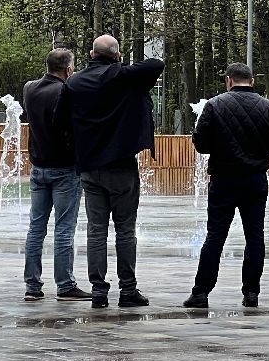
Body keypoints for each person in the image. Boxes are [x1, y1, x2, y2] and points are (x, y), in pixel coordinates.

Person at [65, 34, 164, 309]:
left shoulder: (75, 81)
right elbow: (156, 64)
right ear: (117, 56)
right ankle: (128, 290)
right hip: (121, 165)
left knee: (96, 231)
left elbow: (62, 119)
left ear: (91, 53)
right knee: (125, 230)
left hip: (90, 167)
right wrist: (121, 64)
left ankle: (98, 291)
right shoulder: (122, 76)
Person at [184, 63, 269, 309]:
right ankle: (251, 293)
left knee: (215, 237)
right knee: (255, 238)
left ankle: (201, 293)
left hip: (224, 179)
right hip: (255, 180)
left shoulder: (214, 105)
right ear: (252, 80)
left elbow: (202, 146)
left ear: (229, 80)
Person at [21, 47, 89, 302]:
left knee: (36, 228)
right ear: (68, 70)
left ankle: (32, 286)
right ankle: (65, 285)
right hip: (64, 169)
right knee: (64, 229)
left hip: (38, 168)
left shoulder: (30, 88)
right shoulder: (65, 91)